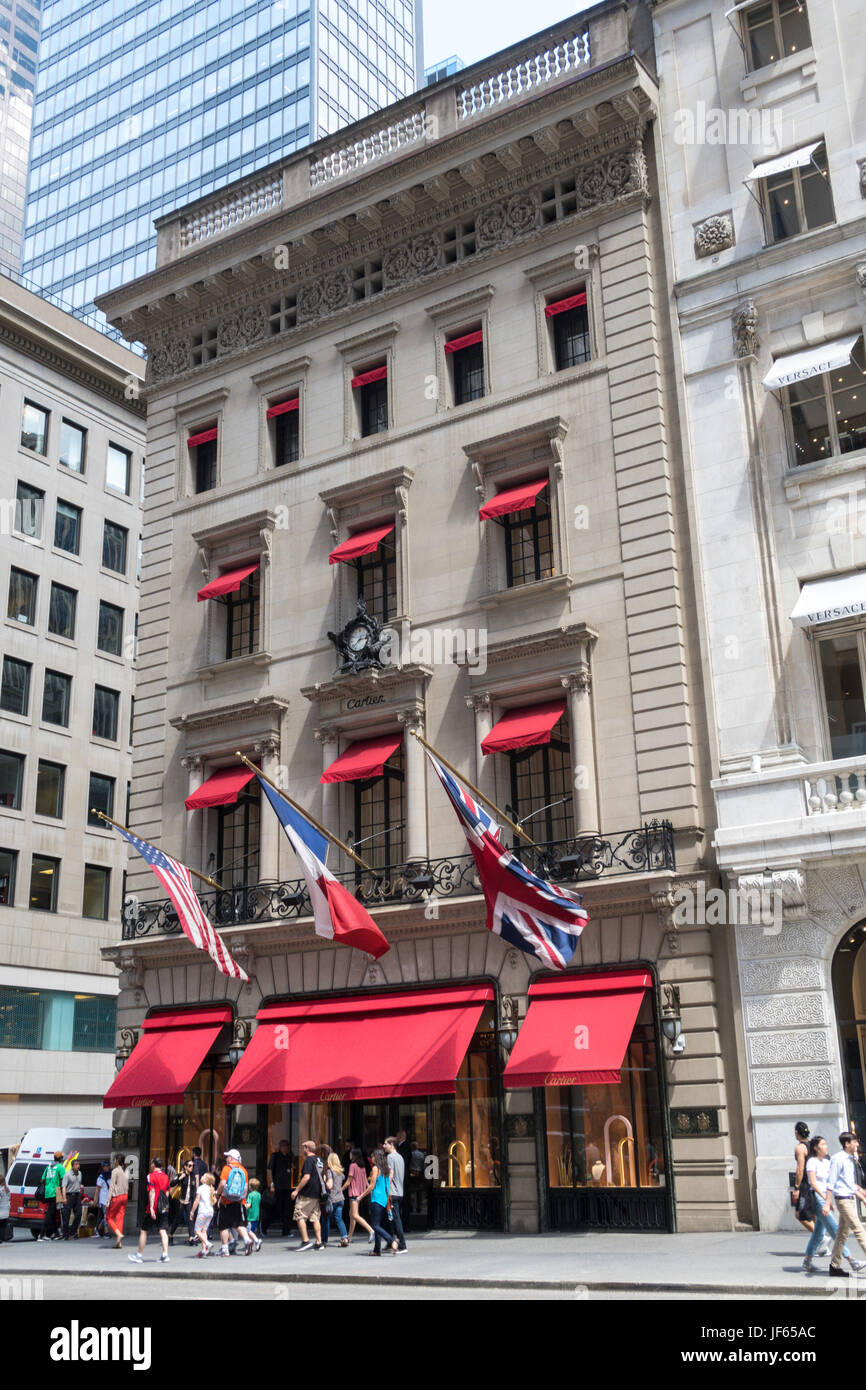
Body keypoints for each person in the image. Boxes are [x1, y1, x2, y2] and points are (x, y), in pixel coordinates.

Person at [801, 1135, 864, 1273]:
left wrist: (860, 1192)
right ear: (816, 1148)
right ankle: (852, 1260)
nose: (826, 1146)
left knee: (819, 1232)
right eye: (823, 1144)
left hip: (827, 1197)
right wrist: (826, 1200)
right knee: (835, 1229)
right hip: (818, 1198)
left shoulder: (828, 1161)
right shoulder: (812, 1161)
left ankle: (807, 1261)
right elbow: (813, 1183)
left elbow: (839, 1180)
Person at [824, 1132, 866, 1278]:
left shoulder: (849, 1159)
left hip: (850, 1198)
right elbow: (831, 1182)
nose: (857, 1144)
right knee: (859, 1230)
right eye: (855, 1142)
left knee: (842, 1234)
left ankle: (834, 1267)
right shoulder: (838, 1159)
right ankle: (834, 1267)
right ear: (847, 1143)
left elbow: (848, 1183)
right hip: (842, 1200)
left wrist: (861, 1194)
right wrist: (827, 1203)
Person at [216, 1148, 259, 1257]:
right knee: (239, 1223)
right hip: (239, 1201)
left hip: (226, 1201)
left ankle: (225, 1249)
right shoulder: (244, 1170)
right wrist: (242, 1200)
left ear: (231, 1158)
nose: (226, 1158)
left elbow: (222, 1183)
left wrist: (218, 1194)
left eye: (228, 1156)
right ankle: (246, 1240)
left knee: (224, 1226)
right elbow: (245, 1188)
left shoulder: (227, 1168)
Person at [128, 1157, 171, 1264]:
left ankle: (139, 1255)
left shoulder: (150, 1176)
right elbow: (167, 1193)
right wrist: (165, 1206)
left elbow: (152, 1192)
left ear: (153, 1165)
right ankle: (165, 1254)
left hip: (153, 1207)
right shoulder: (166, 1177)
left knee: (144, 1230)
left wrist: (151, 1207)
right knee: (163, 1230)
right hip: (163, 1208)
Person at [361, 1147, 399, 1257]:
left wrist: (360, 1196)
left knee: (375, 1225)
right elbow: (388, 1183)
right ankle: (377, 1249)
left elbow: (372, 1186)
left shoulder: (375, 1169)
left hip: (376, 1199)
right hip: (384, 1199)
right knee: (378, 1224)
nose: (371, 1158)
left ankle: (391, 1240)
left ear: (376, 1157)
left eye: (372, 1156)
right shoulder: (387, 1169)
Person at [291, 1139, 325, 1251]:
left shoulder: (308, 1160)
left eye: (304, 1148)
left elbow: (306, 1177)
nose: (302, 1150)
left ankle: (305, 1241)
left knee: (299, 1215)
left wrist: (296, 1191)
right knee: (315, 1218)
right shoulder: (320, 1160)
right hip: (317, 1193)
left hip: (307, 1193)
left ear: (307, 1148)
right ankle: (319, 1242)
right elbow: (322, 1176)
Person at [792, 1122, 817, 1237]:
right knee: (812, 1215)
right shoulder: (813, 1145)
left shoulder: (800, 1148)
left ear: (797, 1133)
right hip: (815, 1182)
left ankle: (821, 1238)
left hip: (806, 1184)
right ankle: (821, 1243)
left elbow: (800, 1169)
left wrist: (796, 1187)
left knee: (800, 1215)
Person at [383, 1137, 408, 1252]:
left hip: (392, 1192)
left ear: (392, 1144)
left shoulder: (390, 1157)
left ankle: (402, 1244)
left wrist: (386, 1189)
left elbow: (390, 1174)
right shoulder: (400, 1157)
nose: (384, 1146)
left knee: (395, 1218)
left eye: (385, 1144)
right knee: (391, 1218)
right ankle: (390, 1241)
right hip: (399, 1192)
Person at [344, 1148, 373, 1243]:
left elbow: (348, 1182)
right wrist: (369, 1191)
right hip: (360, 1193)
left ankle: (371, 1230)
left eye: (351, 1154)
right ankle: (350, 1236)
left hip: (353, 1193)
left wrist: (339, 1190)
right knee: (351, 1214)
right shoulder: (362, 1166)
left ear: (354, 1155)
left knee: (354, 1215)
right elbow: (365, 1181)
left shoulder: (352, 1166)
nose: (349, 1155)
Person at [38, 1150, 67, 1242]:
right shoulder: (60, 1167)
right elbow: (63, 1180)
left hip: (48, 1192)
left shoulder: (48, 1167)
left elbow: (42, 1180)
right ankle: (41, 1235)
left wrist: (50, 1182)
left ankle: (56, 1233)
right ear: (61, 1158)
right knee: (50, 1214)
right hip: (56, 1192)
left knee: (53, 1213)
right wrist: (63, 1194)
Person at [321, 1152, 349, 1248]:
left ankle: (324, 1240)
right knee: (339, 1219)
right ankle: (345, 1238)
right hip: (341, 1198)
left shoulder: (330, 1172)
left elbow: (330, 1185)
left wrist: (324, 1180)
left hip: (332, 1200)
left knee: (326, 1219)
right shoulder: (340, 1173)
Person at [266, 1138, 293, 1237]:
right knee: (275, 1207)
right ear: (280, 1147)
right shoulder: (275, 1156)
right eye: (284, 1146)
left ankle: (286, 1231)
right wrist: (271, 1184)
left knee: (288, 1209)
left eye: (287, 1146)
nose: (286, 1148)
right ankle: (264, 1226)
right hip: (278, 1186)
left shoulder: (289, 1157)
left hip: (288, 1187)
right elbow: (269, 1170)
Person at [106, 1153, 129, 1249]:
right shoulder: (126, 1170)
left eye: (114, 1159)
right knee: (120, 1217)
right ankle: (118, 1242)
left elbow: (111, 1186)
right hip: (125, 1196)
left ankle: (118, 1233)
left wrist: (108, 1200)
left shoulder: (115, 1171)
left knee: (109, 1217)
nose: (113, 1161)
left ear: (117, 1161)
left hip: (117, 1196)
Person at [173, 1158, 198, 1244]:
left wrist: (195, 1199)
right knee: (177, 1219)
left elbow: (194, 1189)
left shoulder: (193, 1176)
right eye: (190, 1166)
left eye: (193, 1166)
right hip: (181, 1201)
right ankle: (171, 1235)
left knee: (190, 1218)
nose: (192, 1167)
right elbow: (171, 1183)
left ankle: (191, 1237)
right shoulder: (181, 1174)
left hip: (189, 1201)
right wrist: (180, 1178)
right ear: (185, 1167)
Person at [191, 1173, 216, 1257]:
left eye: (203, 1176)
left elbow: (197, 1201)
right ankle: (204, 1250)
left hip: (202, 1212)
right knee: (204, 1231)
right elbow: (215, 1201)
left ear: (205, 1180)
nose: (201, 1177)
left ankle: (207, 1243)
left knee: (197, 1231)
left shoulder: (201, 1188)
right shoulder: (211, 1188)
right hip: (210, 1212)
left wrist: (192, 1211)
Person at [61, 1159, 83, 1240]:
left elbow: (79, 1184)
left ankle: (73, 1231)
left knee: (79, 1214)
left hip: (77, 1196)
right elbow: (63, 1187)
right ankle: (65, 1234)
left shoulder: (80, 1173)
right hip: (69, 1196)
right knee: (66, 1216)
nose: (78, 1166)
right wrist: (64, 1198)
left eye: (79, 1164)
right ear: (72, 1166)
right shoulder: (67, 1175)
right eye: (76, 1164)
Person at [95, 1161, 112, 1237]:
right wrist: (95, 1200)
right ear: (103, 1167)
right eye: (106, 1166)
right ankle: (106, 1232)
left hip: (111, 1199)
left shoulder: (112, 1175)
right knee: (106, 1215)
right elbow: (97, 1190)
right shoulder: (100, 1177)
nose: (108, 1167)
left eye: (108, 1165)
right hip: (104, 1200)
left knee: (109, 1215)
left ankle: (98, 1228)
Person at [0, 1171, 10, 1245]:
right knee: (3, 1227)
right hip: (6, 1212)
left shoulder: (0, 1190)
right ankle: (2, 1238)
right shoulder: (7, 1189)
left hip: (0, 1211)